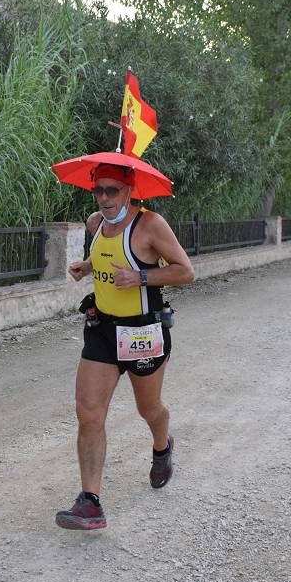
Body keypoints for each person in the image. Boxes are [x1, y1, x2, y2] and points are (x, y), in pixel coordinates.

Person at [56, 163, 195, 530]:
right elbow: (106, 255)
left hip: (141, 333)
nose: (104, 198)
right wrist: (86, 267)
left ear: (129, 191)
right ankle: (90, 501)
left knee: (148, 408)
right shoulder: (95, 223)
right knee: (88, 412)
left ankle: (163, 447)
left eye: (112, 191)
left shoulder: (150, 225)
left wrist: (141, 277)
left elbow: (186, 271)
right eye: (98, 190)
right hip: (102, 330)